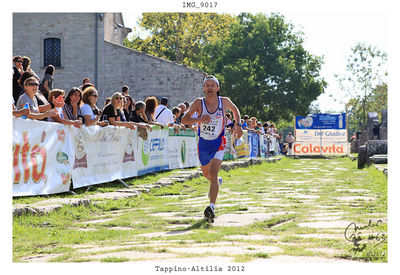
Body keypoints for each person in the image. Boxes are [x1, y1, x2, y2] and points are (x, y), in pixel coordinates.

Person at [182, 75, 242, 223]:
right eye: (207, 85)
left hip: (219, 142)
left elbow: (235, 110)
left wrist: (238, 124)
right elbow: (184, 119)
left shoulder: (224, 101)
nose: (209, 87)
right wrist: (198, 120)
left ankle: (211, 208)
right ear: (204, 88)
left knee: (213, 174)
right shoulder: (198, 103)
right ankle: (216, 182)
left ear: (217, 88)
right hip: (203, 143)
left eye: (212, 85)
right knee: (208, 175)